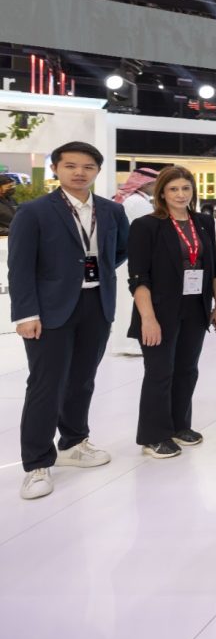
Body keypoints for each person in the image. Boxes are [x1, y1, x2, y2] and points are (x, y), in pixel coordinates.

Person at [7, 142, 129, 499]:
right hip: (50, 310)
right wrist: (26, 313)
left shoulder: (111, 211)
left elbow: (119, 251)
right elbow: (20, 266)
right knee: (45, 385)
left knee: (82, 379)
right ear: (56, 169)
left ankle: (74, 442)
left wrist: (95, 273)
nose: (79, 172)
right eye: (71, 165)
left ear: (97, 171)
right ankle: (37, 463)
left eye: (88, 167)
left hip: (97, 304)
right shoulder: (33, 212)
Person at [128, 166, 216, 459]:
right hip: (158, 311)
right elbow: (139, 278)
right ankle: (153, 436)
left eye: (185, 188)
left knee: (187, 370)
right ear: (161, 193)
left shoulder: (203, 222)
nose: (181, 195)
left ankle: (179, 426)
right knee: (160, 373)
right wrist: (148, 319)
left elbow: (214, 268)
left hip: (195, 308)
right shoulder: (146, 226)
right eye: (173, 189)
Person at [109, 167, 160, 356]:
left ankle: (125, 344)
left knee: (125, 301)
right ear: (146, 183)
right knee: (134, 301)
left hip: (126, 259)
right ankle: (132, 345)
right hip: (135, 259)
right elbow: (149, 234)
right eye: (156, 183)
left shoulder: (129, 199)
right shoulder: (137, 202)